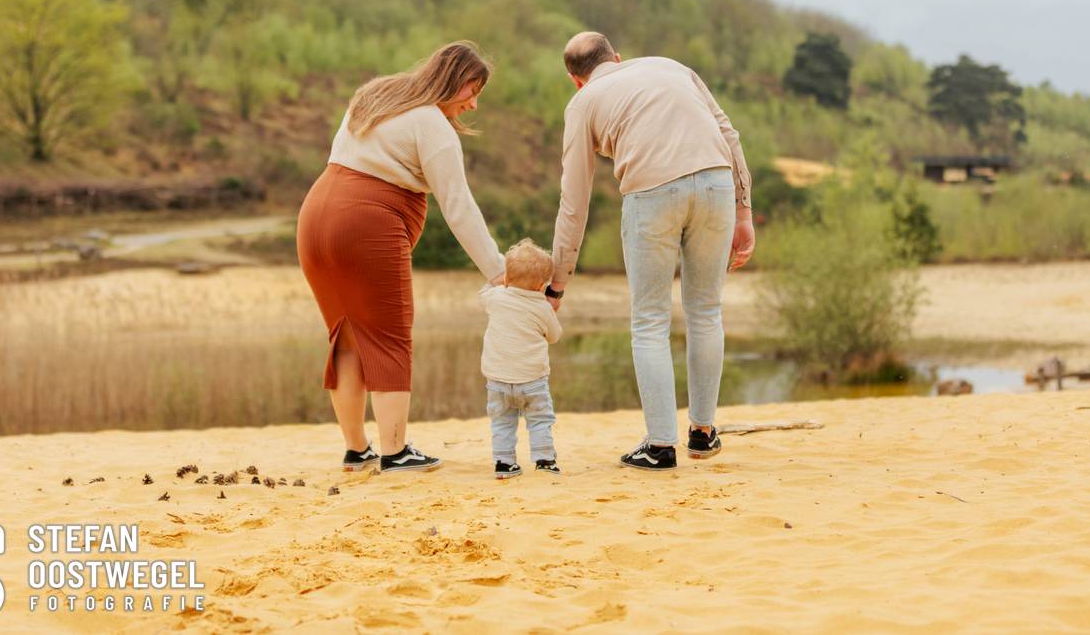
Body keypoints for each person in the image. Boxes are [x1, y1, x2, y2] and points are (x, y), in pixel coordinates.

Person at [548, 32, 755, 471]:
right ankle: (703, 433)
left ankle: (660, 446)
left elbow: (574, 203)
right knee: (705, 311)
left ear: (575, 80)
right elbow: (728, 134)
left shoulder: (583, 104)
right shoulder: (669, 65)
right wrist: (744, 212)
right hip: (717, 182)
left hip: (651, 193)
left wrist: (557, 282)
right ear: (617, 58)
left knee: (649, 322)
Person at [297, 42, 505, 474]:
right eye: (471, 89)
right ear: (450, 78)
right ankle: (395, 452)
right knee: (390, 335)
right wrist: (497, 270)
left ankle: (358, 451)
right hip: (365, 224)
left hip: (316, 215)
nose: (474, 103)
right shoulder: (433, 126)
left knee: (346, 336)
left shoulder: (378, 95)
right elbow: (459, 207)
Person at [478, 238, 564, 479]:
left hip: (497, 381)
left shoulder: (496, 297)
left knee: (502, 422)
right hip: (533, 381)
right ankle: (545, 460)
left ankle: (504, 464)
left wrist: (496, 281)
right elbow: (554, 337)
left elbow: (483, 294)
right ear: (542, 286)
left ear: (506, 278)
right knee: (539, 420)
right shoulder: (542, 307)